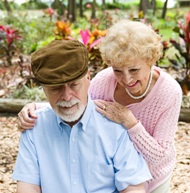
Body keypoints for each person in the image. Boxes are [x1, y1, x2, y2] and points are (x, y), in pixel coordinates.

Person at [17, 20, 182, 193]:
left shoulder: (169, 92)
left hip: (154, 171)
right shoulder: (104, 81)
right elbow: (77, 103)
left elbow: (159, 155)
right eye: (118, 70)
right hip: (120, 172)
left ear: (150, 61)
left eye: (134, 70)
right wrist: (36, 107)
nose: (126, 79)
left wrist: (130, 123)